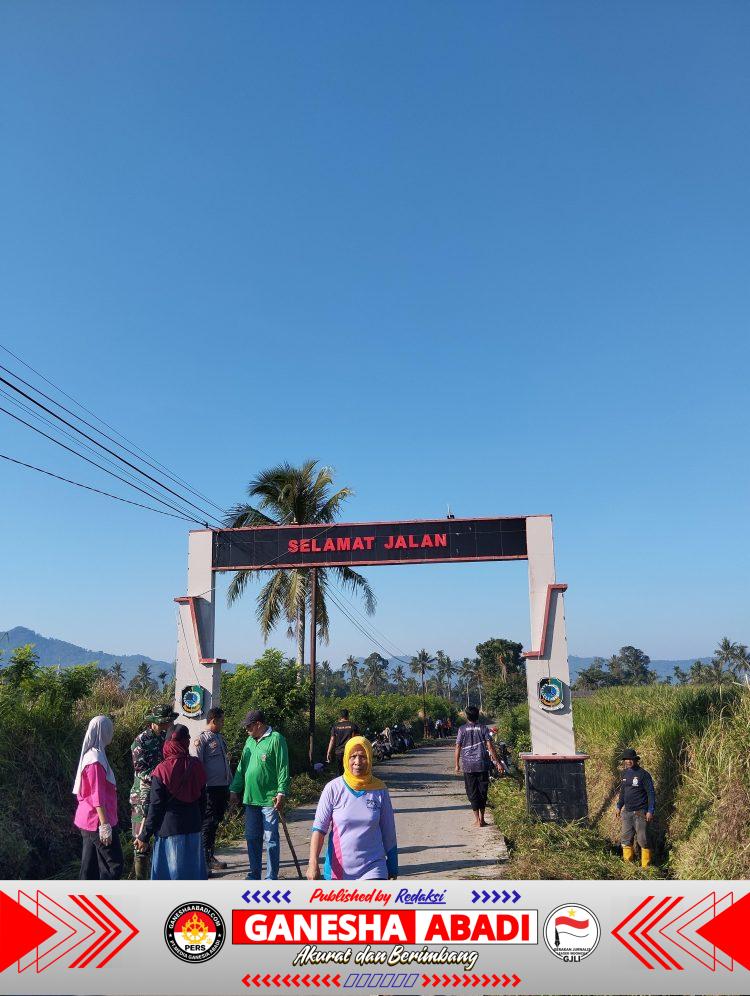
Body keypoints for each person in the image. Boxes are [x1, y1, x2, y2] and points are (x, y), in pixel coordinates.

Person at [306, 736, 398, 881]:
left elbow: (388, 831)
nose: (357, 762)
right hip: (339, 870)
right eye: (353, 756)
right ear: (346, 758)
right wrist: (313, 863)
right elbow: (319, 829)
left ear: (369, 758)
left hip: (374, 867)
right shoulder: (333, 788)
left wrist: (393, 864)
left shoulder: (379, 789)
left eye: (363, 756)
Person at [134, 724, 207, 879]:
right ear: (186, 742)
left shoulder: (162, 770)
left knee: (172, 880)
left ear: (167, 744)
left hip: (170, 832)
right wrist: (199, 822)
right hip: (194, 829)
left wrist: (144, 836)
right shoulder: (197, 765)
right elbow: (203, 800)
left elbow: (156, 807)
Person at [230, 709, 289, 880]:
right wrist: (235, 789)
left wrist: (281, 792)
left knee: (271, 839)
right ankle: (254, 873)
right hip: (250, 799)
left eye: (249, 726)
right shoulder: (249, 741)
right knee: (252, 838)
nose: (246, 729)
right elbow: (241, 768)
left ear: (259, 724)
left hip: (269, 799)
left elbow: (283, 767)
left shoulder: (276, 739)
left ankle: (271, 877)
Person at [129, 703, 177, 879]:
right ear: (155, 722)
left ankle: (157, 876)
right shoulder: (140, 741)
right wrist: (163, 774)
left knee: (160, 835)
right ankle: (141, 881)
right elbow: (141, 771)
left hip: (161, 793)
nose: (167, 725)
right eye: (164, 722)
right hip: (142, 797)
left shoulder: (166, 737)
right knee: (140, 841)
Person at [73, 715, 123, 880]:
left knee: (90, 867)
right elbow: (97, 795)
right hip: (97, 821)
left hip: (88, 819)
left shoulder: (94, 755)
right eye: (109, 729)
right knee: (113, 865)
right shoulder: (95, 760)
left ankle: (86, 901)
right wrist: (105, 825)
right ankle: (105, 901)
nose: (111, 733)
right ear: (102, 732)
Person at [192, 706, 232, 873]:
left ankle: (210, 855)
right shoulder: (202, 740)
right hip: (209, 789)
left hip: (222, 787)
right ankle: (203, 859)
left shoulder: (220, 738)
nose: (223, 724)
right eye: (221, 721)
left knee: (215, 822)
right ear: (213, 720)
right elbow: (197, 766)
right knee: (207, 824)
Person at [454, 706, 503, 827]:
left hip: (468, 765)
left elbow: (458, 747)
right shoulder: (483, 728)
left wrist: (456, 764)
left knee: (472, 792)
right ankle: (482, 819)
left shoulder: (462, 729)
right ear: (478, 716)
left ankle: (477, 820)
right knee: (483, 791)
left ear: (467, 716)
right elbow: (490, 747)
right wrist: (498, 763)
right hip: (482, 764)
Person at [615, 748, 656, 867]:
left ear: (635, 760)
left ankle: (645, 867)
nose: (628, 761)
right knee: (626, 838)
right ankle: (628, 865)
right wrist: (619, 806)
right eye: (626, 759)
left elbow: (651, 793)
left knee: (643, 839)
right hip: (627, 812)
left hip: (640, 812)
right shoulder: (624, 773)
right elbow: (623, 792)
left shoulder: (644, 774)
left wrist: (650, 811)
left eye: (630, 759)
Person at [326, 709, 360, 775]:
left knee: (340, 771)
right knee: (350, 771)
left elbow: (332, 740)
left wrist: (328, 752)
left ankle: (341, 783)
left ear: (340, 716)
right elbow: (357, 739)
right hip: (350, 752)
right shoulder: (353, 726)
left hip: (339, 752)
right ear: (348, 715)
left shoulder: (335, 726)